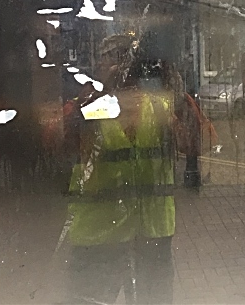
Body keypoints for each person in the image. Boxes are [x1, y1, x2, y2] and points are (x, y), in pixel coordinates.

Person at [63, 34, 178, 304]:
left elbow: (198, 143)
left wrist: (175, 90)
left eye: (128, 60)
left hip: (151, 234)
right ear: (99, 65)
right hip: (98, 235)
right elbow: (58, 146)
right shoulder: (85, 105)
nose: (122, 68)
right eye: (112, 58)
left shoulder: (161, 105)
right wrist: (92, 98)